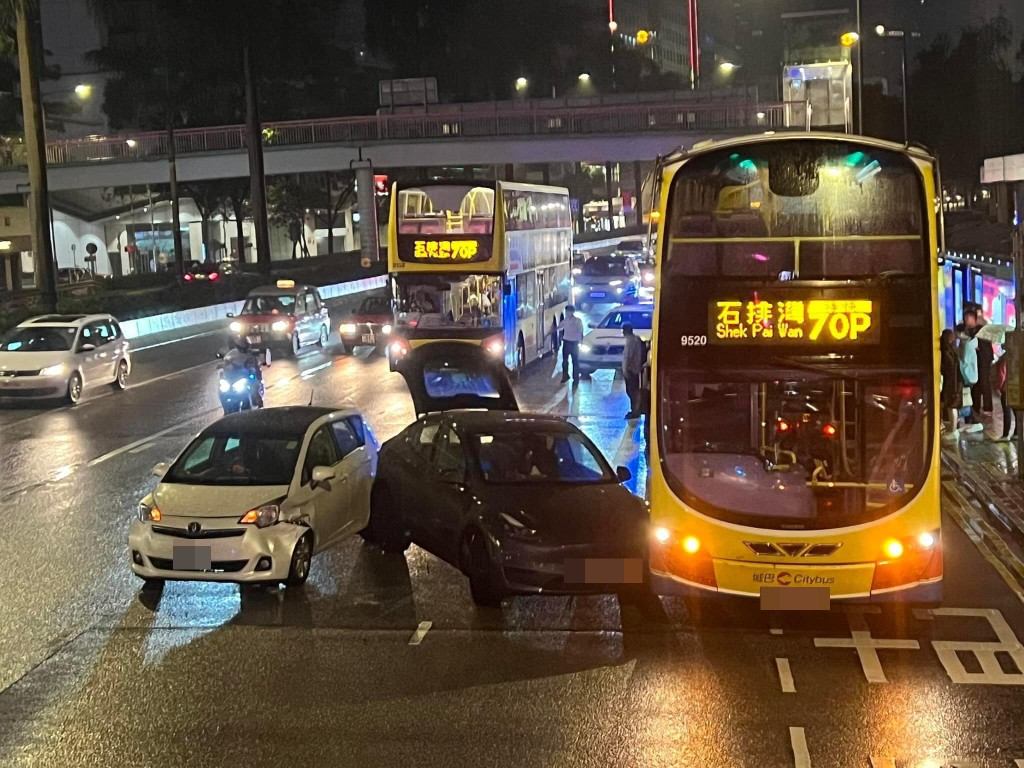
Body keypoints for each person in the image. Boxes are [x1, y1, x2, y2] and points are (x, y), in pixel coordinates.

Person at [956, 322, 983, 433]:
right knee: (966, 400)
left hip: (967, 377)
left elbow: (964, 363)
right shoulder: (966, 343)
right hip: (969, 376)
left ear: (962, 333)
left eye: (957, 332)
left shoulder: (966, 345)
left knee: (966, 400)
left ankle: (976, 422)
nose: (956, 334)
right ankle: (971, 421)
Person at [968, 306, 995, 415]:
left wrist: (978, 348)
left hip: (983, 359)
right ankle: (977, 407)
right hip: (978, 359)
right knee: (978, 383)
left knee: (984, 382)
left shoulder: (980, 328)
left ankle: (987, 408)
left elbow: (985, 345)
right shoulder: (972, 329)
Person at [940, 329, 963, 442]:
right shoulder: (952, 351)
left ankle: (953, 430)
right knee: (951, 405)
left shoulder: (946, 352)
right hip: (955, 382)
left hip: (951, 383)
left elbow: (947, 370)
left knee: (951, 406)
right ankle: (953, 429)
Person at [621, 323, 645, 419]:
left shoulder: (630, 341)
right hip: (636, 368)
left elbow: (628, 356)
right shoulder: (637, 339)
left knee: (632, 391)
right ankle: (636, 409)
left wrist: (625, 369)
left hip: (631, 369)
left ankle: (635, 410)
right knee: (634, 390)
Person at [557, 305, 585, 383]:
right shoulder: (566, 321)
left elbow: (581, 332)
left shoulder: (577, 321)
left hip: (573, 343)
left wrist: (581, 342)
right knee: (566, 361)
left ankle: (575, 377)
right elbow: (559, 327)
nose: (566, 313)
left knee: (574, 361)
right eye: (566, 311)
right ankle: (566, 376)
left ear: (572, 312)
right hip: (567, 342)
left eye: (568, 311)